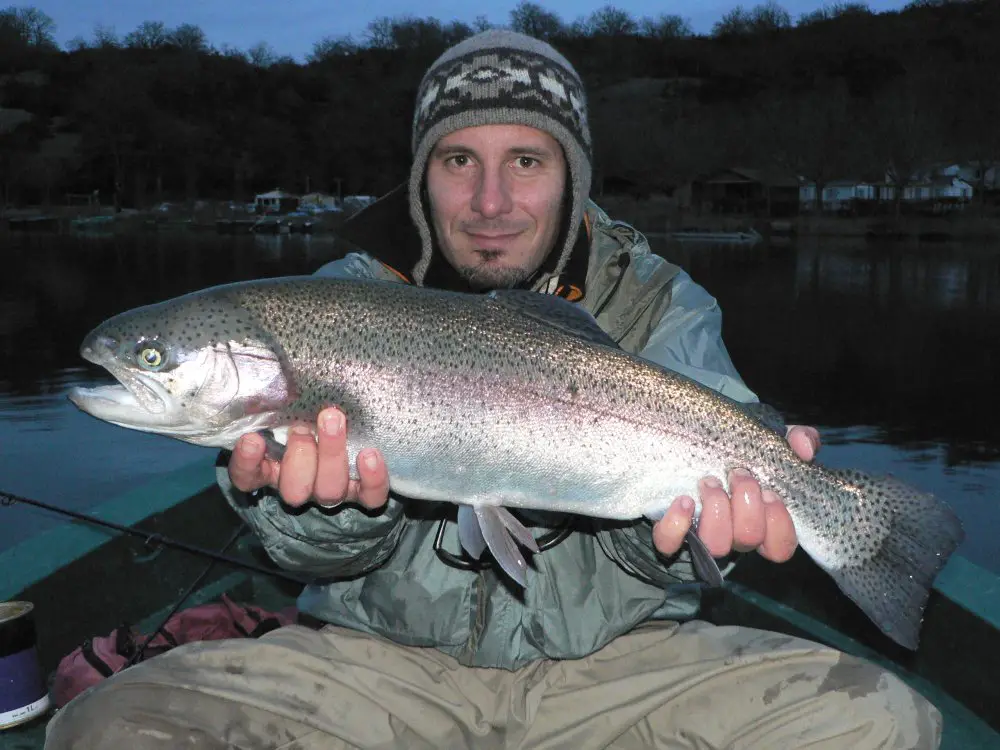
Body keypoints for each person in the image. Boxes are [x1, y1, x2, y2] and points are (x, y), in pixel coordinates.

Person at [45, 29, 941, 750]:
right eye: (458, 162)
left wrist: (696, 538)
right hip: (376, 668)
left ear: (573, 178)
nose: (489, 200)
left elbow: (693, 540)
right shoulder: (344, 293)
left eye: (526, 161)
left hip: (618, 670)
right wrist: (329, 513)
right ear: (421, 177)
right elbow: (306, 560)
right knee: (109, 727)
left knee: (881, 720)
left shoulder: (662, 303)